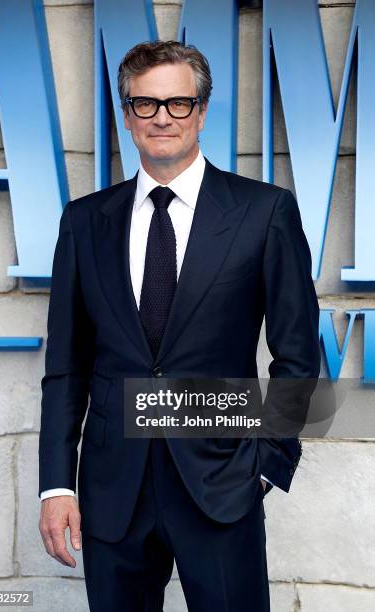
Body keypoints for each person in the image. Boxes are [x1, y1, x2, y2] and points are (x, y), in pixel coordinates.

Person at [38, 40, 320, 611]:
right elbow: (66, 368)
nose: (162, 116)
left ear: (202, 111)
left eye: (178, 103)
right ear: (127, 115)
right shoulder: (86, 220)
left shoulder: (264, 212)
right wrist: (57, 484)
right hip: (114, 488)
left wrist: (266, 465)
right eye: (145, 104)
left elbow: (297, 355)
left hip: (221, 484)